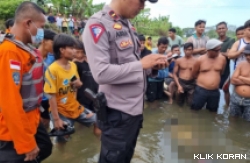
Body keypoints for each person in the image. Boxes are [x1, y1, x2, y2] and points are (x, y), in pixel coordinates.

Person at [83, 0, 169, 162]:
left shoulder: (127, 25)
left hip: (134, 112)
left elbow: (132, 65)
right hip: (117, 114)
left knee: (124, 157)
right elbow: (101, 74)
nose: (143, 6)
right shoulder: (98, 24)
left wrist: (153, 67)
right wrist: (142, 64)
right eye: (141, 1)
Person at [0, 2, 52, 163]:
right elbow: (10, 102)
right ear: (28, 23)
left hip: (31, 121)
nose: (42, 33)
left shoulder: (25, 49)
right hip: (11, 133)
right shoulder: (9, 52)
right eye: (41, 26)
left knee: (45, 147)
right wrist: (26, 144)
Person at [43, 34, 100, 141]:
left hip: (74, 106)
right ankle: (63, 154)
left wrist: (78, 84)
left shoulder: (73, 65)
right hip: (61, 111)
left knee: (99, 121)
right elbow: (51, 96)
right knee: (63, 138)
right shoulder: (52, 70)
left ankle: (99, 146)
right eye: (72, 48)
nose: (75, 51)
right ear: (62, 50)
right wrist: (56, 119)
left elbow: (77, 85)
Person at [191, 39, 226, 112]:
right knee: (195, 110)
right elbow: (194, 74)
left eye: (220, 49)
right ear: (209, 50)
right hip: (201, 90)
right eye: (216, 50)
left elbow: (221, 72)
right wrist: (204, 81)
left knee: (213, 112)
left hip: (215, 91)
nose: (219, 52)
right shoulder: (200, 59)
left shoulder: (222, 59)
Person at [73, 39, 99, 112]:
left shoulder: (88, 62)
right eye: (77, 52)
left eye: (82, 52)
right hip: (82, 101)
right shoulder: (74, 65)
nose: (80, 55)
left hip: (94, 97)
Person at [38, 29, 57, 128]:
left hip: (49, 98)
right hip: (36, 99)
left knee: (46, 123)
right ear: (43, 41)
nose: (55, 46)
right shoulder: (31, 58)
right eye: (52, 43)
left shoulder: (53, 57)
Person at [216, 21, 235, 108]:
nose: (221, 30)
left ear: (226, 29)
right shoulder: (215, 41)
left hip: (226, 70)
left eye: (223, 28)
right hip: (215, 69)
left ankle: (227, 107)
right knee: (214, 88)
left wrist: (218, 53)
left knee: (226, 90)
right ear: (216, 30)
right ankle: (215, 107)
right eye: (219, 29)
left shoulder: (231, 40)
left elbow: (229, 55)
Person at [230, 44, 250, 121]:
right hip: (236, 98)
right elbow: (233, 80)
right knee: (233, 119)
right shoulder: (241, 64)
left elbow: (236, 79)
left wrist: (241, 77)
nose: (248, 57)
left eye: (249, 54)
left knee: (247, 122)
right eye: (246, 54)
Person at [147, 36, 169, 102]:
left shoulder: (166, 55)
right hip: (152, 81)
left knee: (159, 98)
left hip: (161, 80)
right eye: (162, 47)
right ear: (157, 45)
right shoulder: (151, 54)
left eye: (165, 47)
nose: (164, 49)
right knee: (152, 99)